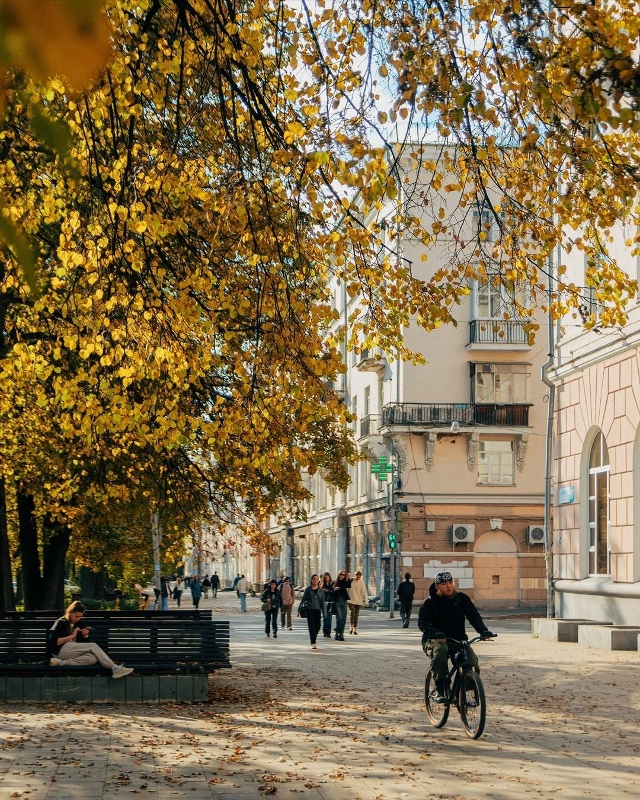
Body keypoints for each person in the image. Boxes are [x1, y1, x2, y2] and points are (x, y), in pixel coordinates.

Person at [418, 571, 495, 703]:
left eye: (450, 582)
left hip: (458, 640)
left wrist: (483, 631)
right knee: (441, 652)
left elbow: (474, 616)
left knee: (472, 663)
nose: (448, 586)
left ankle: (461, 692)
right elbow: (423, 624)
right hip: (434, 639)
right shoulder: (429, 602)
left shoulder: (461, 598)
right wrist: (435, 632)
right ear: (437, 587)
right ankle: (439, 688)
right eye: (444, 584)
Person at [47, 601, 134, 677]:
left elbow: (85, 644)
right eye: (76, 616)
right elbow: (55, 642)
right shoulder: (62, 622)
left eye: (80, 617)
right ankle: (114, 668)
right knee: (93, 646)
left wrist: (85, 636)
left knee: (92, 659)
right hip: (59, 651)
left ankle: (61, 663)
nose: (78, 619)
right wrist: (72, 636)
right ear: (70, 613)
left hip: (71, 651)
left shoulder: (78, 623)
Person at [298, 573, 325, 650]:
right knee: (311, 626)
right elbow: (303, 600)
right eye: (314, 579)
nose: (315, 581)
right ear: (311, 580)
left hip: (317, 610)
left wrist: (324, 612)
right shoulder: (308, 589)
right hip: (310, 610)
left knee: (318, 626)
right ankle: (313, 642)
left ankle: (314, 637)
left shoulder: (321, 591)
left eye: (317, 579)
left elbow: (322, 602)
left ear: (318, 581)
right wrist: (299, 609)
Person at [332, 569, 351, 641]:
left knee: (344, 618)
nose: (342, 576)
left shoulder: (345, 582)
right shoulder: (334, 582)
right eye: (341, 574)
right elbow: (331, 592)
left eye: (343, 575)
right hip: (337, 601)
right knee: (339, 618)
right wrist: (334, 589)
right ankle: (338, 633)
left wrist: (348, 578)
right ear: (338, 574)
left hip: (344, 600)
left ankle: (340, 634)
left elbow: (349, 586)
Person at [347, 570, 368, 635]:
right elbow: (347, 589)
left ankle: (355, 629)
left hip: (358, 601)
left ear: (360, 576)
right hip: (351, 600)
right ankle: (351, 627)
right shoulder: (351, 581)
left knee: (356, 615)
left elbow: (364, 591)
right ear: (355, 575)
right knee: (352, 613)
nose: (357, 577)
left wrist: (366, 601)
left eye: (359, 576)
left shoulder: (361, 582)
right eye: (356, 575)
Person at [320, 572, 335, 639]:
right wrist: (323, 590)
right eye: (325, 578)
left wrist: (329, 591)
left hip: (330, 602)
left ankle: (328, 632)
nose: (327, 579)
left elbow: (333, 591)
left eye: (327, 578)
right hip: (324, 603)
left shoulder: (332, 584)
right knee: (325, 618)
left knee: (329, 618)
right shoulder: (322, 584)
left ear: (329, 577)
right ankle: (324, 631)